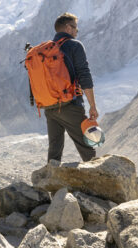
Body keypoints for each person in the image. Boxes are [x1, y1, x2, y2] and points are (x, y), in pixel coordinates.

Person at [45, 12, 99, 163]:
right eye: (76, 28)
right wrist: (92, 106)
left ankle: (50, 184)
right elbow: (84, 76)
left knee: (54, 150)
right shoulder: (74, 45)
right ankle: (100, 183)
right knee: (86, 146)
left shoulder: (46, 49)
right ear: (68, 28)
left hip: (49, 107)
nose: (76, 32)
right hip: (70, 105)